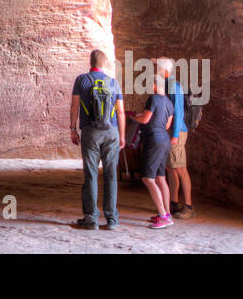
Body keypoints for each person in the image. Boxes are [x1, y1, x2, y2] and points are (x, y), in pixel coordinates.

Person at [70, 49, 125, 230]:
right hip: (111, 133)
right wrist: (122, 135)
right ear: (104, 64)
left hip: (90, 132)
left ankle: (91, 218)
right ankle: (112, 219)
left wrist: (73, 128)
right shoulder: (113, 83)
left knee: (91, 174)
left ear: (90, 62)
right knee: (111, 175)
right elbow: (120, 111)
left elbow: (75, 106)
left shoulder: (82, 80)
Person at [129, 72, 174, 228]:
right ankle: (167, 214)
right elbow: (167, 124)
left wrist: (134, 117)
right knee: (161, 178)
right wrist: (143, 116)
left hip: (154, 140)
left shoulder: (153, 99)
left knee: (148, 178)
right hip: (165, 140)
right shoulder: (169, 102)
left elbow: (145, 119)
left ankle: (163, 216)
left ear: (154, 85)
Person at [161, 57, 195, 219]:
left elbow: (178, 112)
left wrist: (174, 135)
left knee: (180, 168)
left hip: (178, 132)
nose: (156, 71)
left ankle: (189, 207)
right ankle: (173, 203)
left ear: (164, 71)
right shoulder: (168, 85)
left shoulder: (174, 87)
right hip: (172, 132)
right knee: (171, 168)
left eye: (158, 68)